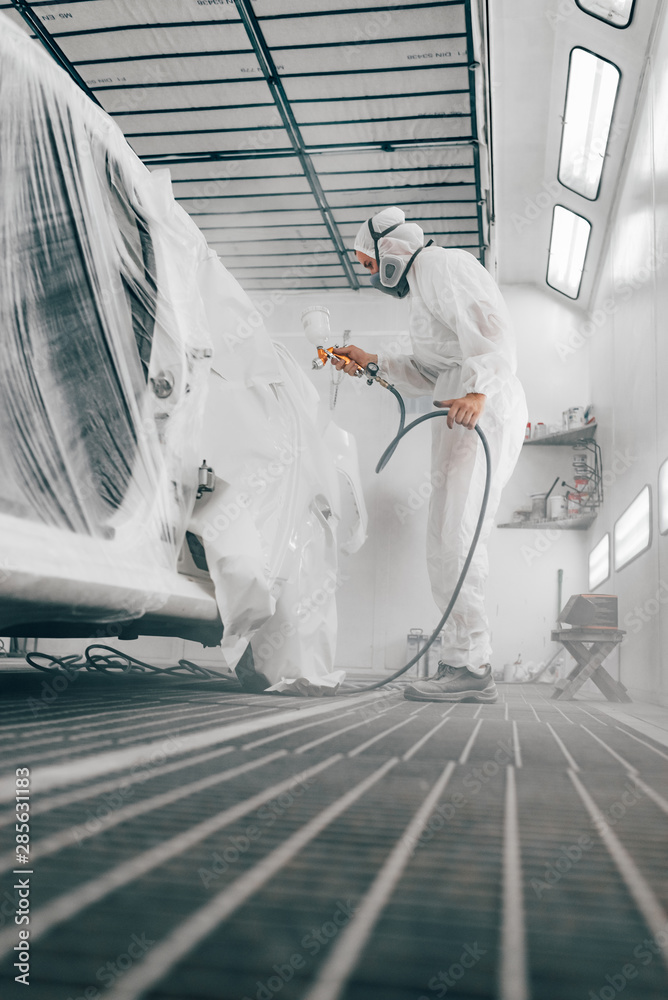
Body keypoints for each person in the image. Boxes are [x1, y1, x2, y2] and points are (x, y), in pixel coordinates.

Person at [333, 206, 528, 702]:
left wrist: (479, 392)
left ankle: (475, 663)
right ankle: (460, 660)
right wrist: (373, 362)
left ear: (390, 249)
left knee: (458, 534)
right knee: (443, 539)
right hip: (460, 405)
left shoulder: (444, 267)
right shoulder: (423, 289)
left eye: (370, 265)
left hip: (482, 408)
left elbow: (496, 334)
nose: (373, 276)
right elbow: (427, 371)